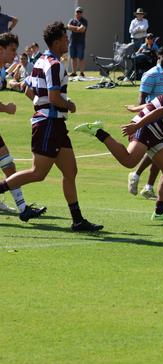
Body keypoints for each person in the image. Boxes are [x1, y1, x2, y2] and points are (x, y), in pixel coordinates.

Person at [0, 22, 101, 231]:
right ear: (56, 42)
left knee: (70, 170)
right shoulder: (54, 64)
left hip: (53, 123)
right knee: (38, 173)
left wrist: (39, 104)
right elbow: (55, 97)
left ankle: (78, 220)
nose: (68, 41)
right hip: (49, 124)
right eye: (66, 38)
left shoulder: (40, 61)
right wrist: (69, 105)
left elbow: (27, 88)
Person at [73, 78, 163, 221]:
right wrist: (136, 126)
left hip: (156, 134)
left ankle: (160, 212)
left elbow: (154, 105)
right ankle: (98, 131)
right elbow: (160, 111)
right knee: (129, 161)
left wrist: (135, 109)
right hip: (146, 129)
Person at [127, 46, 163, 200]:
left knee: (160, 156)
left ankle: (148, 186)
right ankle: (137, 176)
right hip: (151, 121)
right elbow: (142, 98)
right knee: (155, 154)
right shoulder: (151, 74)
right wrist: (138, 119)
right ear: (158, 58)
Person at [0, 32, 45, 219]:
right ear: (0, 49)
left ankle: (22, 209)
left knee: (8, 164)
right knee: (8, 163)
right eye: (11, 50)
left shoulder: (2, 70)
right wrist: (6, 108)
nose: (14, 55)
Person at [67, 6, 88, 77]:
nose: (78, 13)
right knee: (73, 57)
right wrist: (77, 28)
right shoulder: (72, 20)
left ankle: (82, 72)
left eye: (80, 12)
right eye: (77, 12)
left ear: (82, 13)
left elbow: (82, 29)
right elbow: (68, 26)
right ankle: (74, 72)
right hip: (72, 42)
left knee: (81, 57)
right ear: (75, 13)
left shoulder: (84, 21)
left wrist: (74, 29)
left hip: (80, 42)